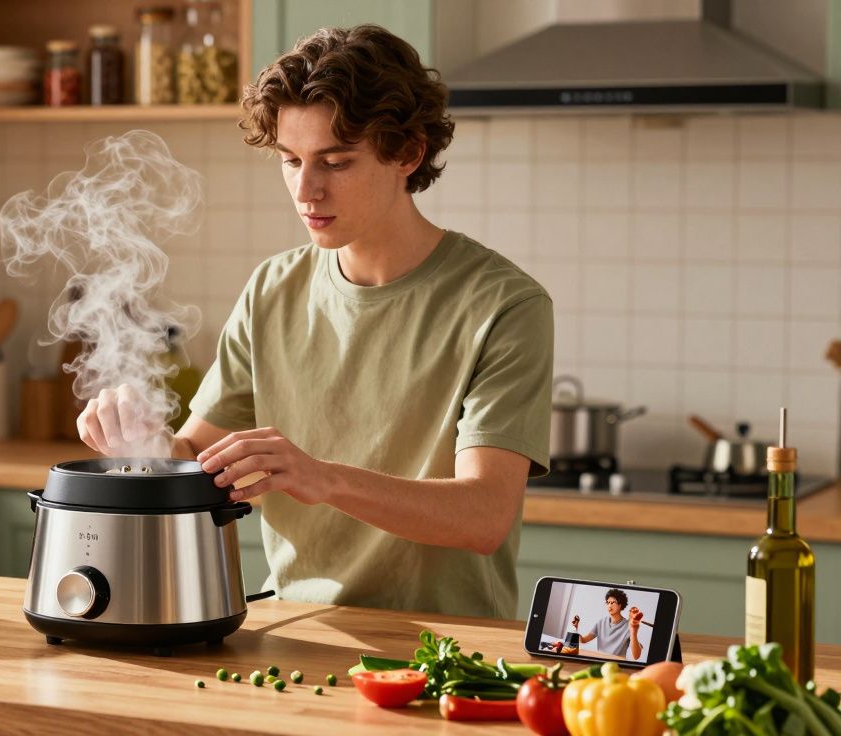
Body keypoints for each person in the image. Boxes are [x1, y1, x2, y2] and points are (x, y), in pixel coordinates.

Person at [76, 24, 553, 618]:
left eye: (336, 161)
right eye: (291, 160)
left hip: (447, 650)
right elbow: (194, 459)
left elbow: (484, 516)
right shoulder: (273, 289)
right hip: (298, 630)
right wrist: (141, 449)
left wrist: (322, 479)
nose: (306, 189)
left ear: (408, 153)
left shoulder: (503, 304)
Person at [569, 589, 646, 661]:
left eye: (613, 602)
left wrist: (633, 630)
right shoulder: (601, 622)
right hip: (600, 662)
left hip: (617, 665)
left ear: (620, 605)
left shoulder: (628, 625)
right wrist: (575, 628)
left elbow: (636, 656)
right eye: (608, 602)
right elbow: (583, 640)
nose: (609, 605)